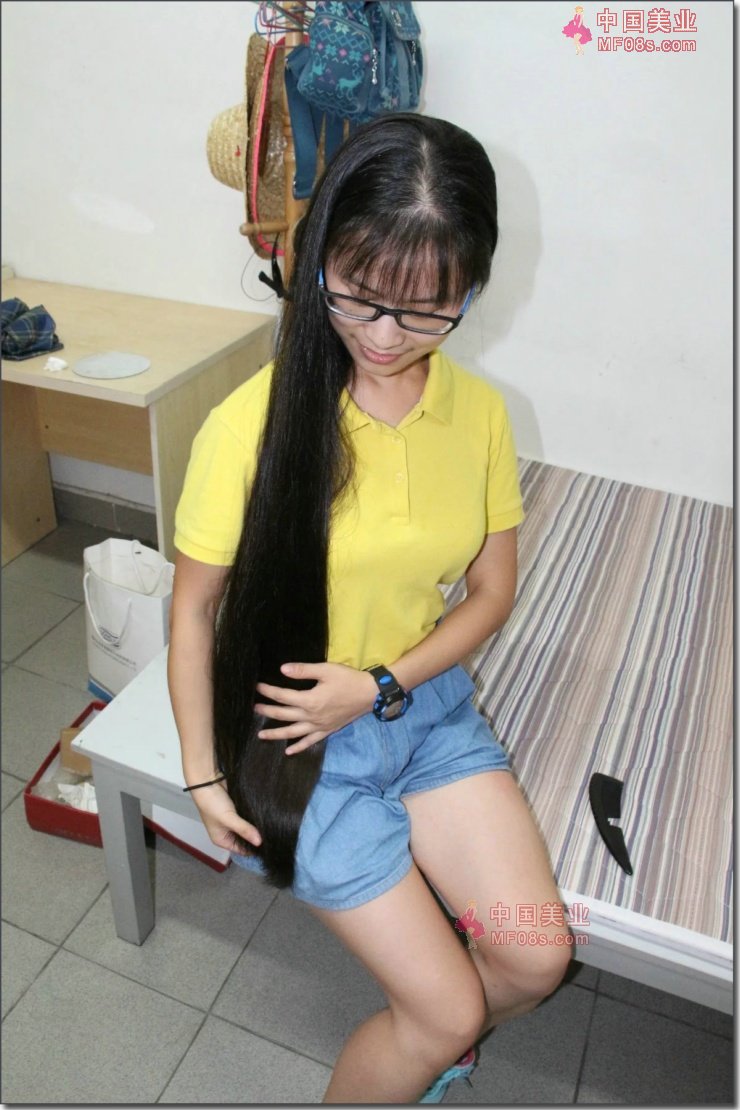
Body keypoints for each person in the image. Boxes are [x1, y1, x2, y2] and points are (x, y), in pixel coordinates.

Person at [168, 113, 571, 1105]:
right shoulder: (249, 426)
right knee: (447, 1009)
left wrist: (382, 682)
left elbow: (491, 593)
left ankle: (430, 1043)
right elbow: (192, 612)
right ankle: (434, 1033)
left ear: (469, 290)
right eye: (356, 295)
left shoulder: (478, 413)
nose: (382, 337)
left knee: (532, 958)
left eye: (425, 311)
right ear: (319, 259)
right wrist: (202, 773)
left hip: (422, 713)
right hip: (298, 745)